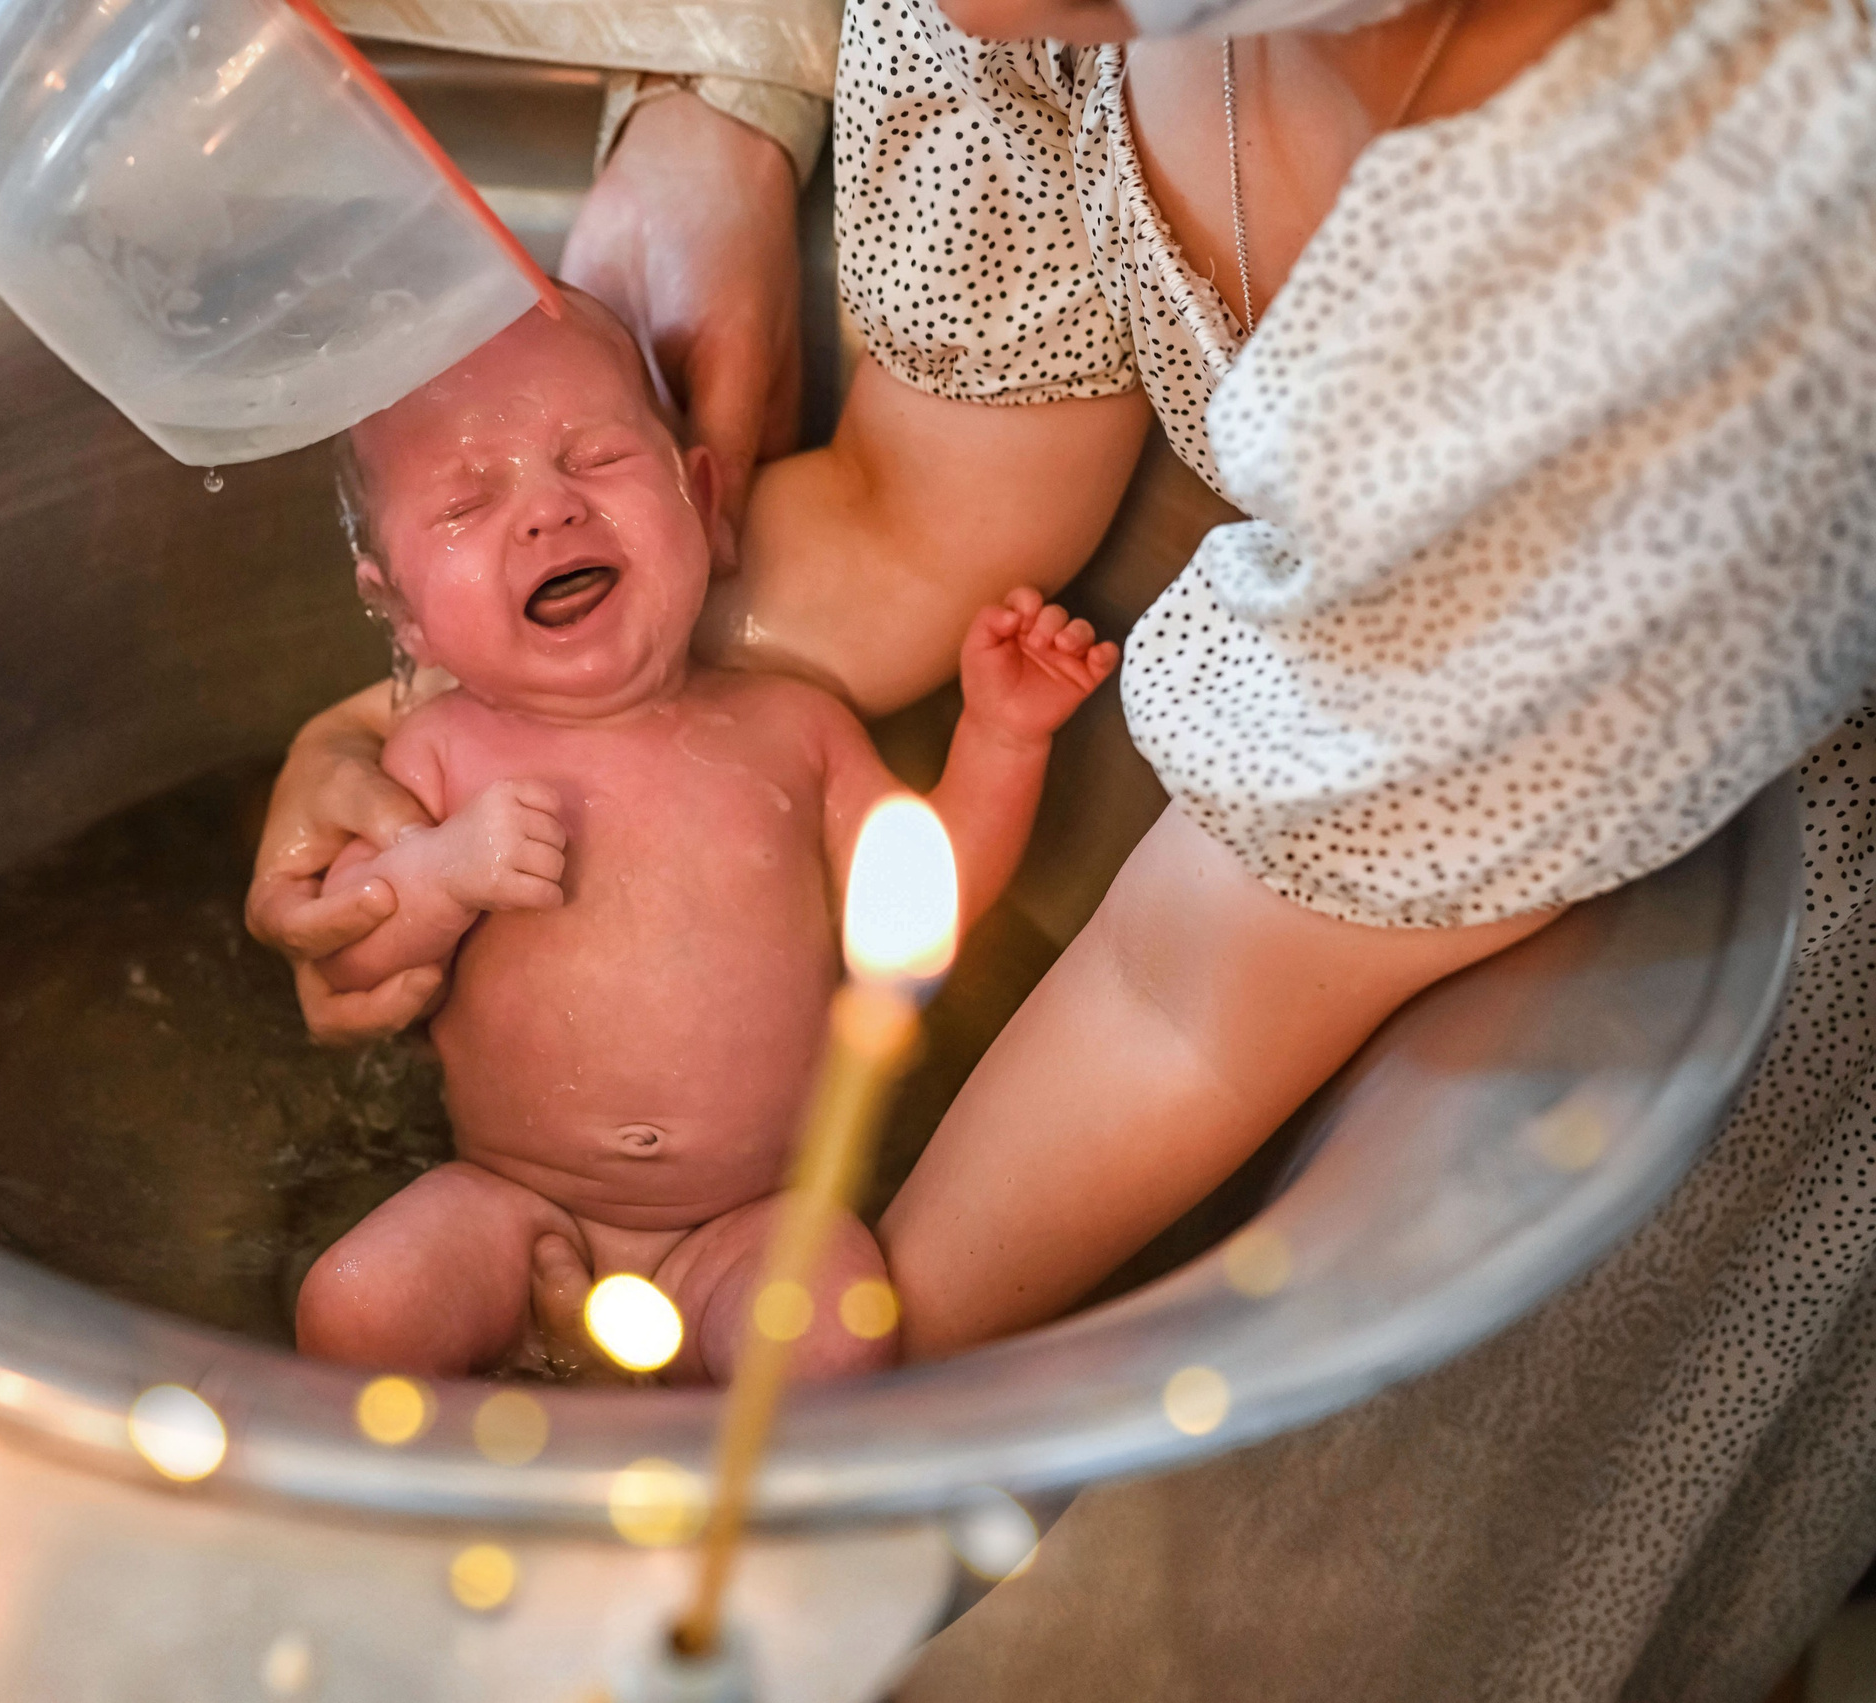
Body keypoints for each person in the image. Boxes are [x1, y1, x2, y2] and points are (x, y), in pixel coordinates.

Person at [260, 0, 1875, 1694]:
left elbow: (1191, 993)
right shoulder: (1030, 18)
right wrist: (391, 732)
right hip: (541, 1187)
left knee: (1272, 1617)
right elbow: (917, 518)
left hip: (1659, 922)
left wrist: (810, 1414)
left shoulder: (1717, 253)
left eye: (600, 459)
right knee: (368, 1310)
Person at [292, 287, 1114, 1382]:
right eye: (466, 501)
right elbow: (348, 958)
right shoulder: (436, 759)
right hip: (517, 1209)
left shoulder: (793, 728)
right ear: (401, 615)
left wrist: (1002, 740)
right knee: (355, 1308)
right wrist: (441, 875)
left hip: (749, 1225)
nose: (548, 513)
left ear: (704, 500)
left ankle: (659, 1441)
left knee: (834, 1321)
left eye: (593, 459)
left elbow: (922, 906)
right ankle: (498, 1478)